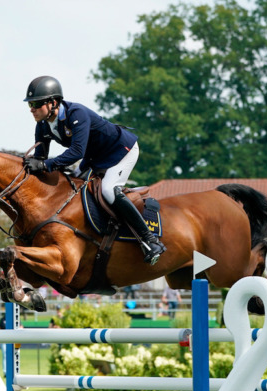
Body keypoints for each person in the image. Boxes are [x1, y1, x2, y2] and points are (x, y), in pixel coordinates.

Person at [22, 75, 165, 264]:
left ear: (53, 103)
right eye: (30, 105)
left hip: (121, 151)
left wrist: (45, 165)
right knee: (71, 186)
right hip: (95, 156)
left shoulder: (76, 114)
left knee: (108, 190)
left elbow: (76, 152)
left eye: (36, 104)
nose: (32, 109)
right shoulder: (42, 126)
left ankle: (150, 240)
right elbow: (40, 157)